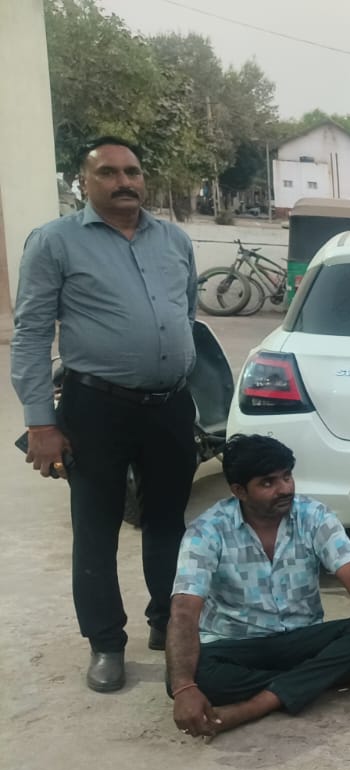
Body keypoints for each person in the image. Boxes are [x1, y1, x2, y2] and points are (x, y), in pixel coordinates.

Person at [12, 137, 200, 692]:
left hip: (169, 405)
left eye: (132, 172)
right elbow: (30, 335)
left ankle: (168, 624)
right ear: (84, 181)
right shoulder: (55, 241)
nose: (124, 182)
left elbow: (186, 313)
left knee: (168, 522)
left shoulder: (174, 240)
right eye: (109, 173)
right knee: (96, 529)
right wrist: (40, 422)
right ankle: (105, 644)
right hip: (96, 407)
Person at [166, 436, 350, 738]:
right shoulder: (206, 531)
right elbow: (184, 610)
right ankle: (321, 676)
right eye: (268, 483)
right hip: (236, 643)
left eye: (286, 476)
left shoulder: (314, 516)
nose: (284, 488)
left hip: (300, 638)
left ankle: (254, 706)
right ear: (239, 491)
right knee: (189, 677)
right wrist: (184, 687)